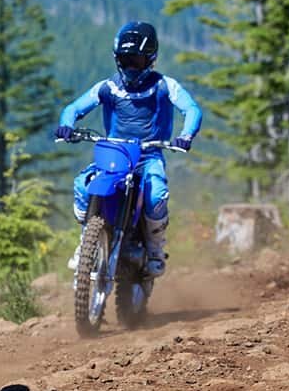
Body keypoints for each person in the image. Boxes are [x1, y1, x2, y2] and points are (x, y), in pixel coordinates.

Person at [55, 21, 202, 277]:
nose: (131, 67)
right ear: (117, 59)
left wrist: (186, 135)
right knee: (83, 185)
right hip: (114, 154)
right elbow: (74, 108)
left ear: (151, 59)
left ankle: (155, 249)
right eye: (125, 60)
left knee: (156, 196)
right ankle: (86, 241)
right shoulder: (108, 87)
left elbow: (191, 109)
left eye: (137, 60)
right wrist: (66, 125)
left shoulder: (165, 86)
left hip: (149, 155)